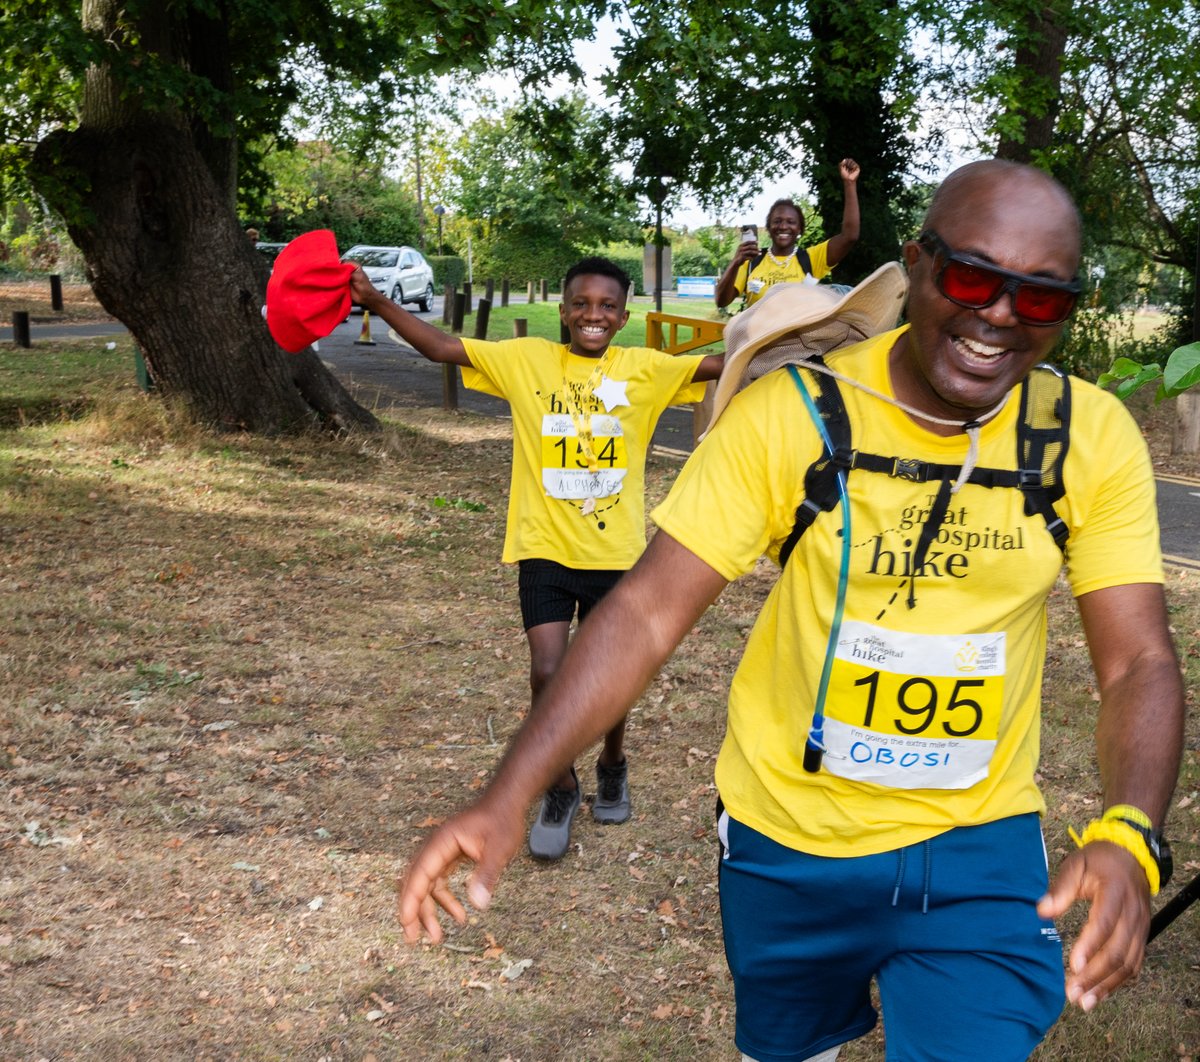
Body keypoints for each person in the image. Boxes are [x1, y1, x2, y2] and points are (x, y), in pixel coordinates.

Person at [395, 161, 1185, 1061]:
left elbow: (1138, 663)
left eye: (1041, 300)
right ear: (919, 266)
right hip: (788, 844)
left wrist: (1130, 832)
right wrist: (511, 792)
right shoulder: (792, 416)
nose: (1002, 314)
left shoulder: (1086, 435)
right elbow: (646, 612)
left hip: (980, 846)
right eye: (974, 279)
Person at [350, 256, 723, 862]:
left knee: (612, 682)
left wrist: (815, 341)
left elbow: (729, 365)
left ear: (624, 315)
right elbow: (443, 347)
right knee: (549, 675)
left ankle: (613, 761)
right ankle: (562, 784)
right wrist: (377, 301)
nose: (593, 315)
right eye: (581, 304)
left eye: (606, 306)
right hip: (543, 549)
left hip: (615, 555)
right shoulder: (527, 363)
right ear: (563, 310)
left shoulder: (647, 370)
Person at [715, 157, 861, 311]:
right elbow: (721, 301)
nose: (783, 226)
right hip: (759, 335)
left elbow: (849, 236)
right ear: (769, 227)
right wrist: (735, 263)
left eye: (791, 222)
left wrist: (850, 183)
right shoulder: (751, 261)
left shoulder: (811, 259)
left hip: (797, 335)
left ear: (799, 229)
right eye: (777, 221)